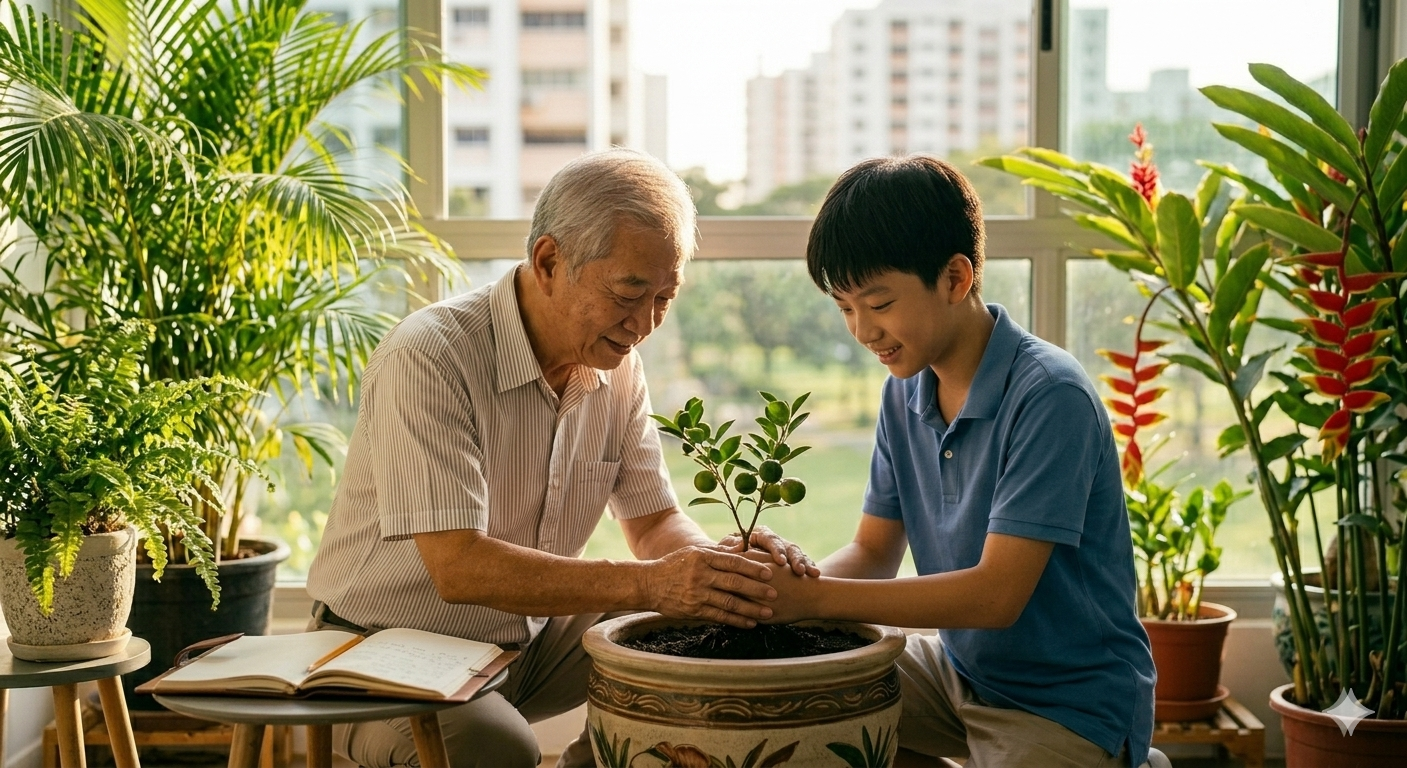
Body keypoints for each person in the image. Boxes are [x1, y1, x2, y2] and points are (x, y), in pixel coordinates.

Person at [304, 149, 815, 768]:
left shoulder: (615, 361)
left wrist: (720, 569)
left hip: (528, 644)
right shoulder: (431, 355)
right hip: (380, 651)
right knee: (496, 748)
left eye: (665, 297)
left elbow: (654, 523)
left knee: (701, 636)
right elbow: (458, 568)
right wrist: (656, 583)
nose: (645, 323)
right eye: (629, 292)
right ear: (549, 261)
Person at [760, 155, 1156, 768]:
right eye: (844, 307)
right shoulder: (905, 387)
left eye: (879, 302)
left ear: (955, 277)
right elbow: (873, 553)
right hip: (956, 674)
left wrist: (811, 602)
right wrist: (778, 589)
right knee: (797, 713)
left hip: (1066, 704)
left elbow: (996, 597)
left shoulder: (1050, 394)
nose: (862, 330)